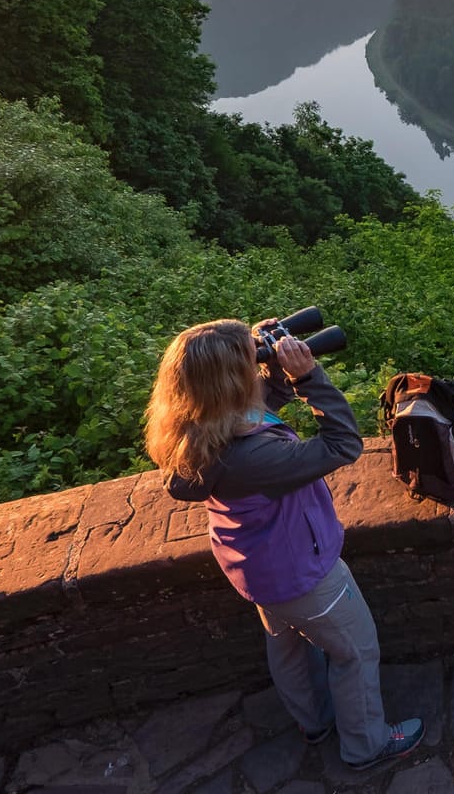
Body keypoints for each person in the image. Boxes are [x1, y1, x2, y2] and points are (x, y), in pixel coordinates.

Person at [144, 318, 422, 770]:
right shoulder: (254, 458)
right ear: (231, 383)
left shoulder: (200, 429)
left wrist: (273, 368)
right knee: (356, 650)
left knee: (288, 644)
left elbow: (258, 410)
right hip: (304, 572)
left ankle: (313, 721)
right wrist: (310, 378)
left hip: (258, 566)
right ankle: (366, 745)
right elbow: (343, 445)